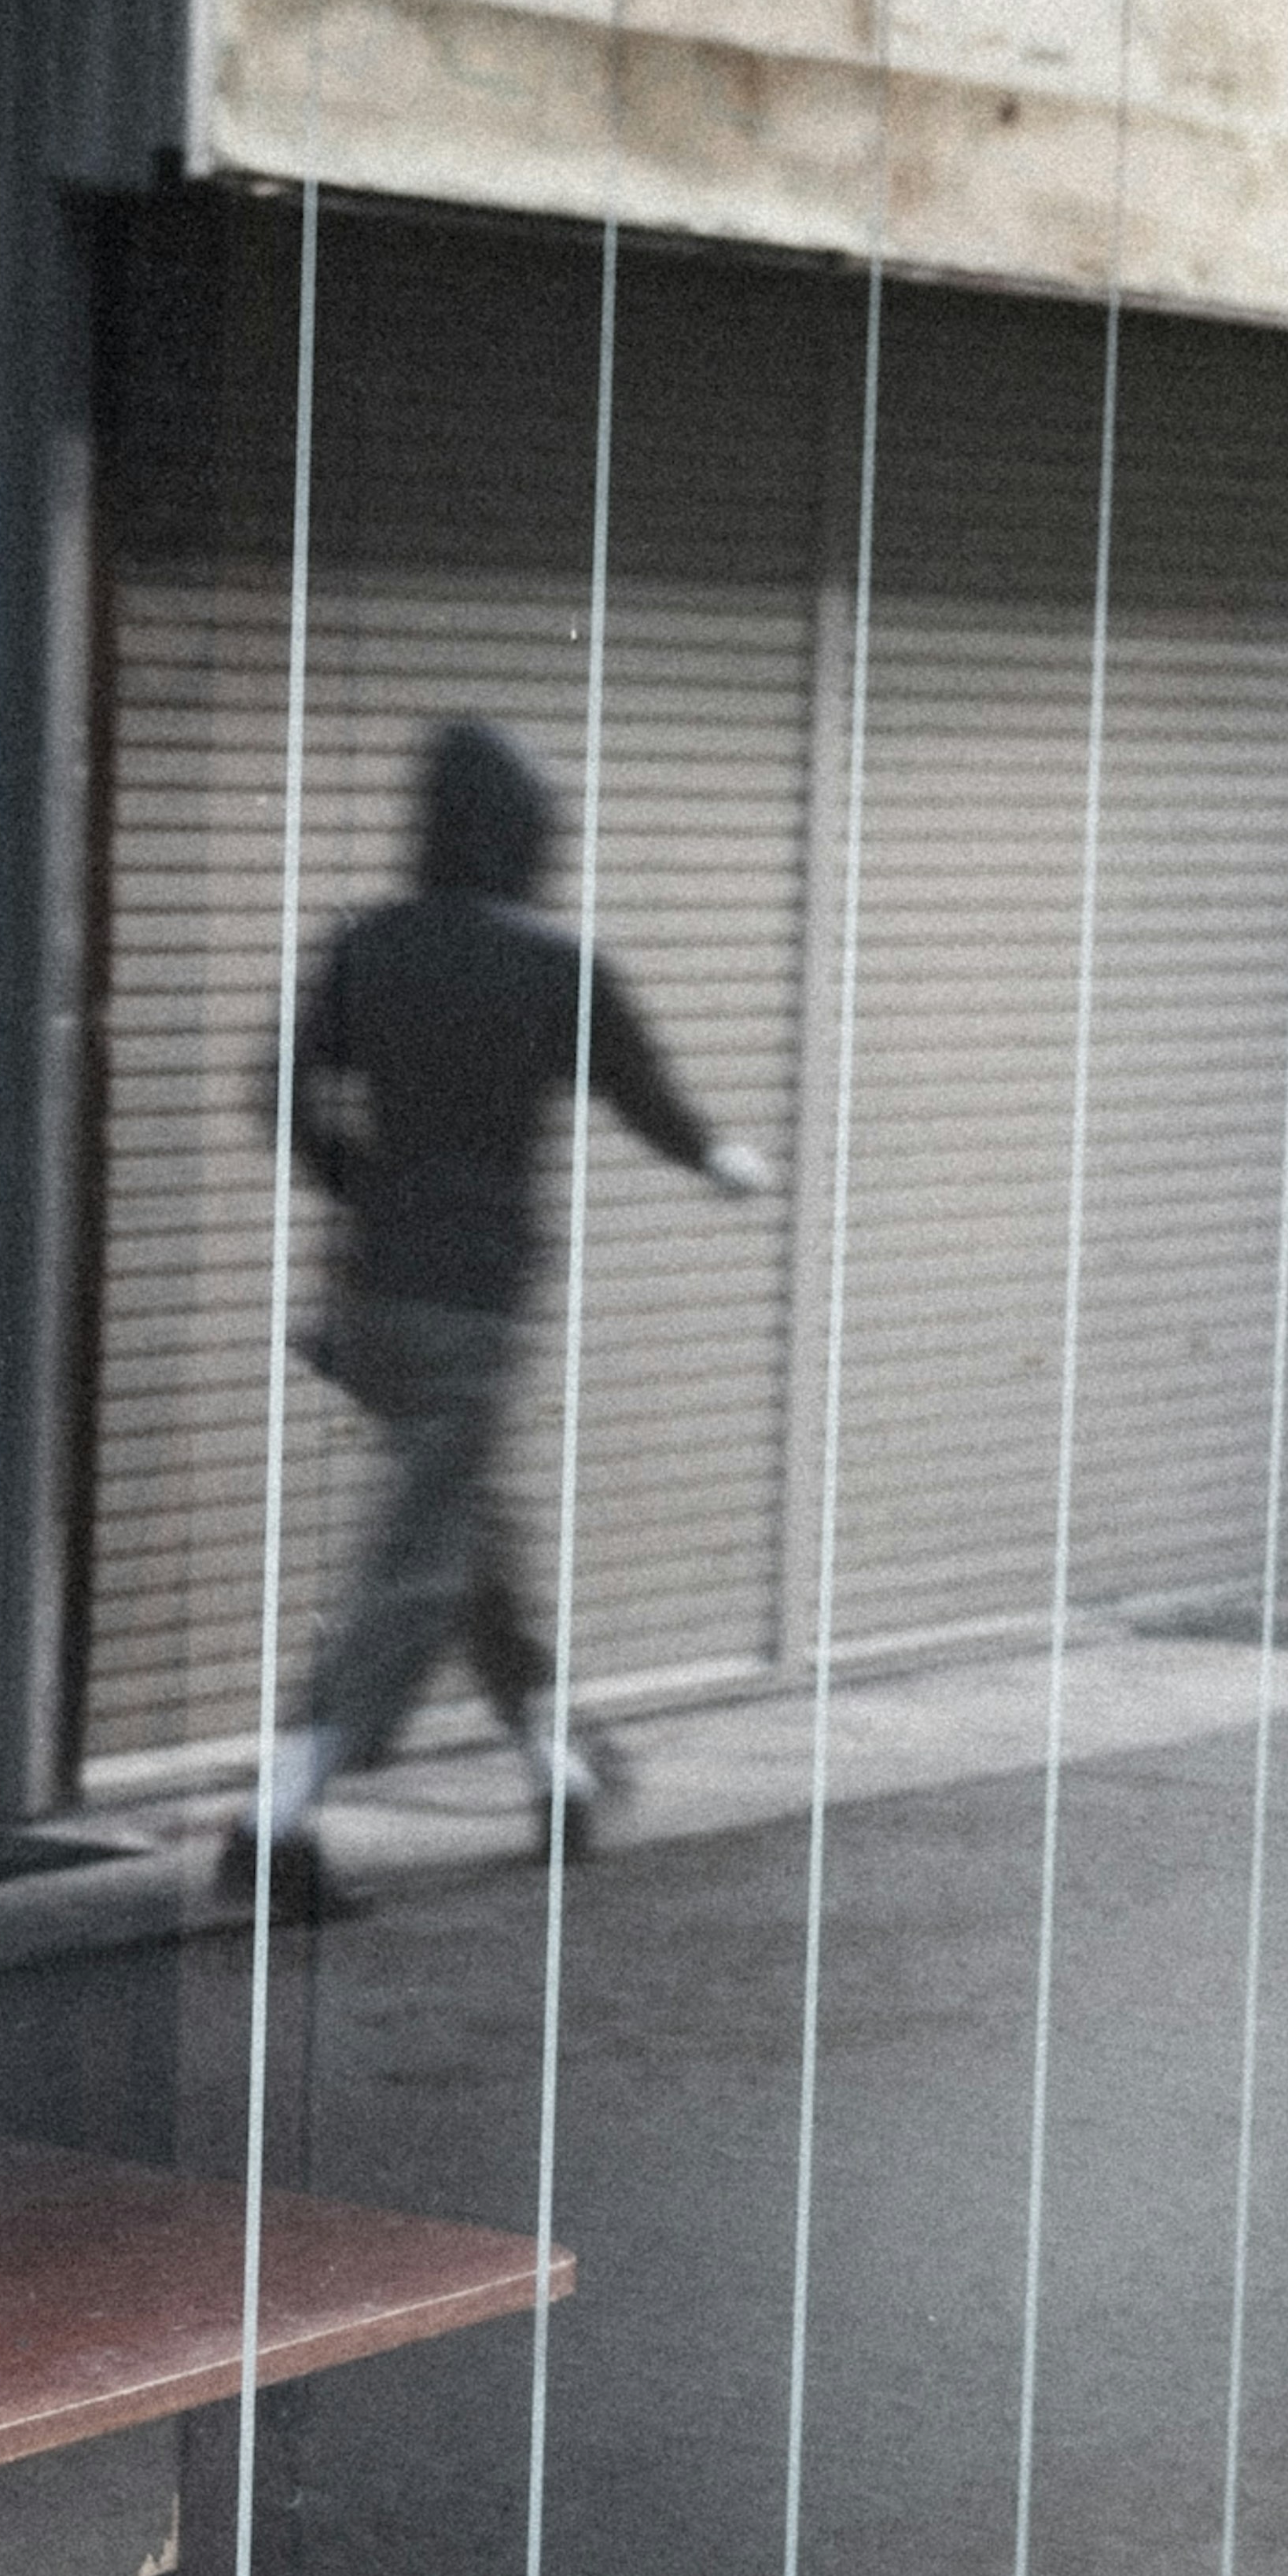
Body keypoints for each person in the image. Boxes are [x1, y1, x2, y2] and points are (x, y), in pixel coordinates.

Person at [221, 718, 766, 1915]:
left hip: (368, 1298)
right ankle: (275, 1820)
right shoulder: (554, 963)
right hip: (475, 1305)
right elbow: (649, 1096)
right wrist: (723, 1158)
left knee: (463, 1530)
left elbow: (278, 1091)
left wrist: (361, 1179)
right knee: (418, 1560)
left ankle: (556, 1768)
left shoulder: (368, 945)